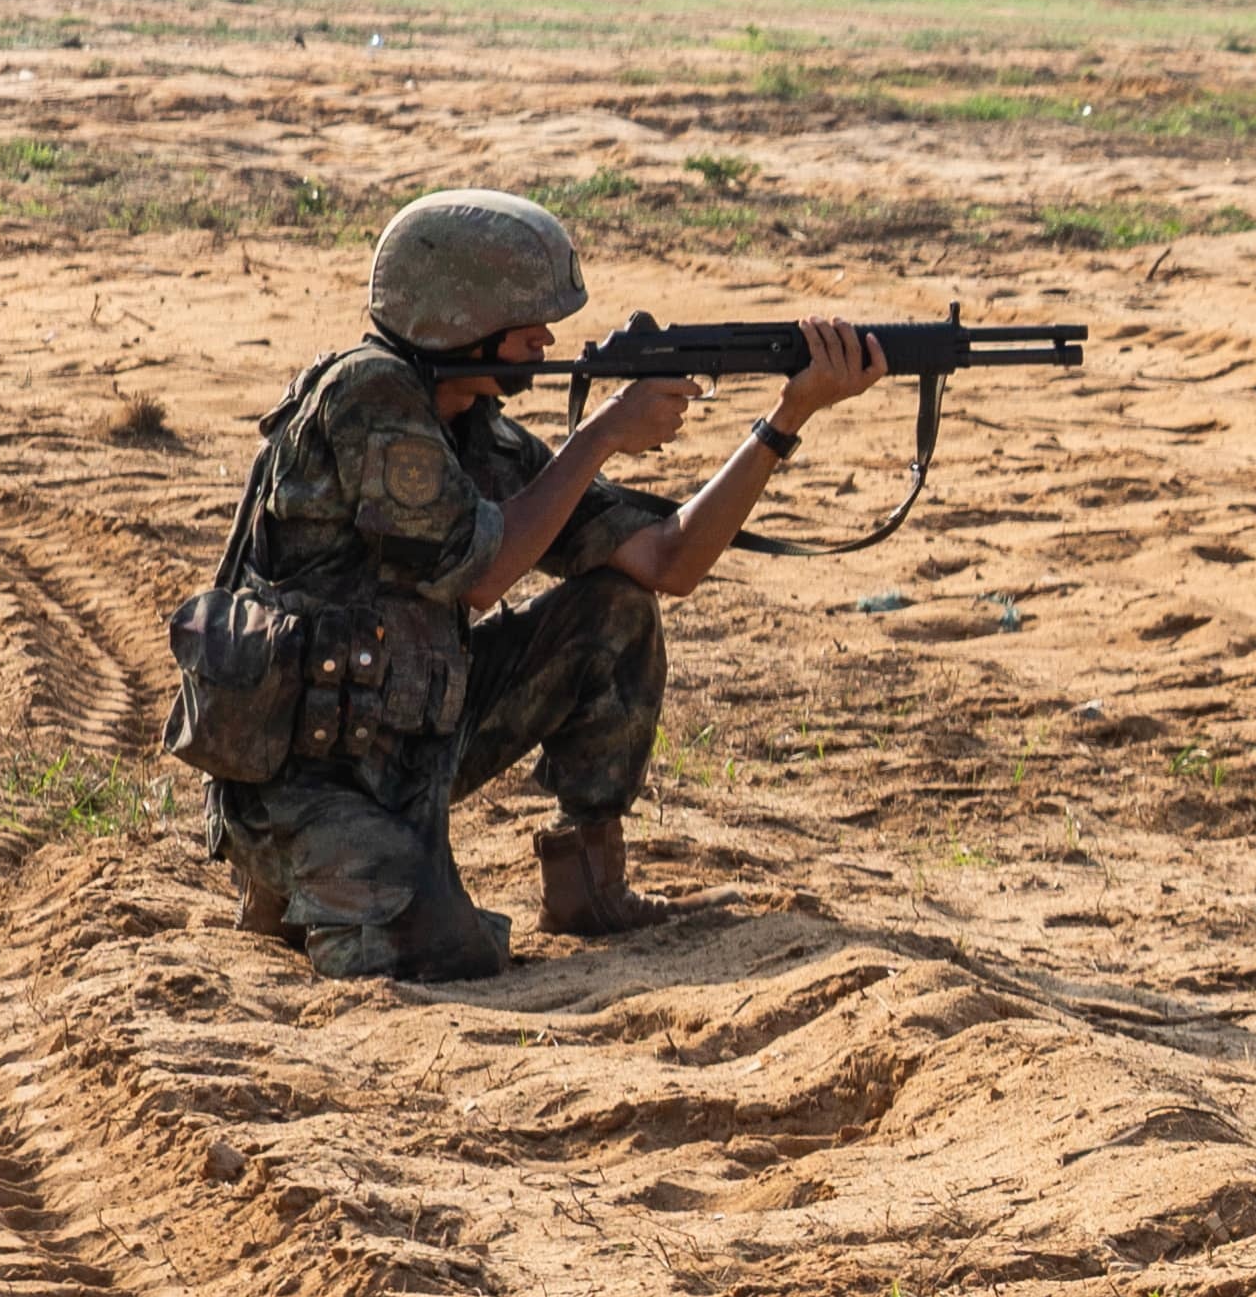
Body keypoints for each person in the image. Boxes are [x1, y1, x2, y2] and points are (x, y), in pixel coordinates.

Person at [198, 190, 884, 980]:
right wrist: (601, 437)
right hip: (312, 768)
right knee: (443, 957)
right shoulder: (368, 393)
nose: (547, 340)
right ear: (462, 318)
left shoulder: (473, 424)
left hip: (408, 740)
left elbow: (669, 562)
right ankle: (290, 875)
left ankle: (588, 886)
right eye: (529, 323)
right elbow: (482, 576)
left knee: (614, 610)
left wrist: (786, 417)